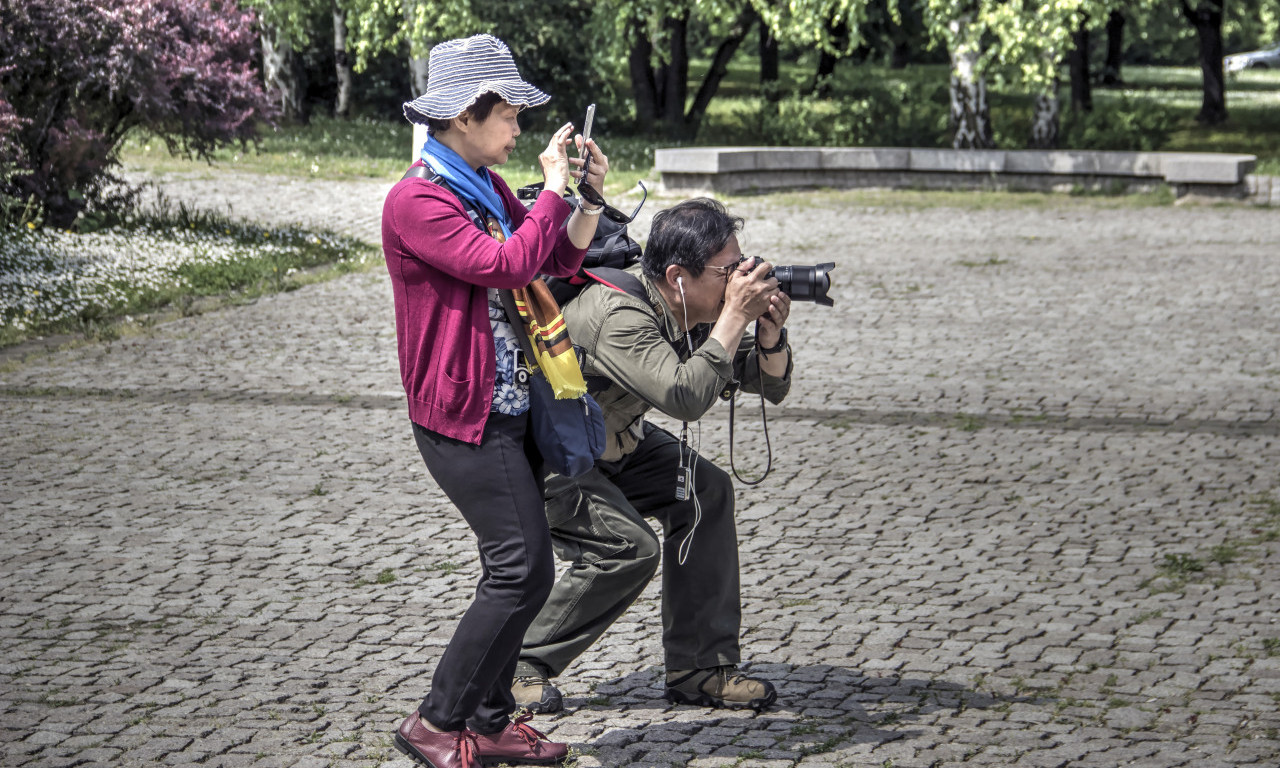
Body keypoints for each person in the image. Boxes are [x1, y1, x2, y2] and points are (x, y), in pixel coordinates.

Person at [382, 34, 610, 768]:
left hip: (512, 407)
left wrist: (583, 199)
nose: (517, 129)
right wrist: (548, 193)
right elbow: (505, 262)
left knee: (524, 566)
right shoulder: (417, 200)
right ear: (462, 118)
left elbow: (557, 257)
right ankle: (436, 721)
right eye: (508, 115)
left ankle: (488, 716)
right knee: (521, 567)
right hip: (460, 416)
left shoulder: (485, 186)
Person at [512, 198, 794, 713]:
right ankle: (516, 662)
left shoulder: (688, 309)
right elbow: (684, 395)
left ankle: (699, 668)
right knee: (628, 547)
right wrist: (734, 316)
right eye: (728, 271)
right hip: (554, 459)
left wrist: (769, 337)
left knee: (706, 491)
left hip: (611, 440)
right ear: (677, 276)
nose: (741, 281)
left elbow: (766, 385)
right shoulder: (620, 316)